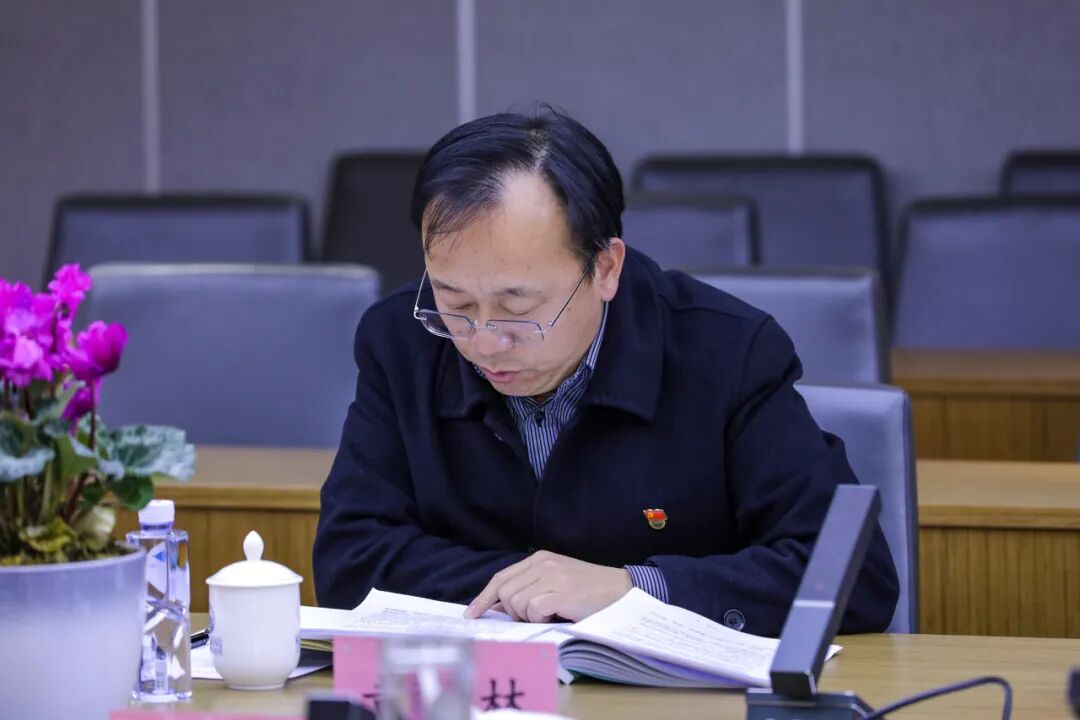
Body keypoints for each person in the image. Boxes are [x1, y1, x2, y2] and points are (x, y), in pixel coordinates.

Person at [313, 107, 898, 635]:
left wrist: (633, 591)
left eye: (519, 307)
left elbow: (853, 576)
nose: (484, 342)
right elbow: (350, 560)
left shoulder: (727, 352)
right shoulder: (402, 342)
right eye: (455, 302)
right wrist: (533, 589)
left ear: (606, 269)